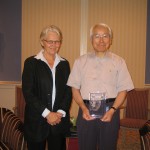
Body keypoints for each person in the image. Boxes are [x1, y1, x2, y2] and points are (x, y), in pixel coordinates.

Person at [67, 23, 134, 150]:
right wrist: (82, 107)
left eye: (105, 36)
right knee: (86, 146)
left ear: (110, 39)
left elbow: (123, 90)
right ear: (91, 39)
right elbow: (74, 88)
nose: (101, 40)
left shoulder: (119, 62)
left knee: (108, 146)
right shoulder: (80, 61)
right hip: (86, 110)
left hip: (110, 110)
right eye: (97, 36)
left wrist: (113, 110)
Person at [22, 25, 72, 150]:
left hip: (58, 121)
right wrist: (47, 114)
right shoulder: (31, 63)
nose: (54, 45)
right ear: (42, 42)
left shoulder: (64, 64)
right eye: (50, 41)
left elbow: (68, 91)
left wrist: (59, 113)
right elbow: (28, 93)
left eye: (57, 42)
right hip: (36, 121)